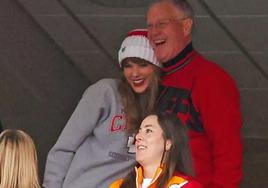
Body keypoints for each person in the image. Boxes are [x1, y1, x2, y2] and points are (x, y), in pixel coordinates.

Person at [43, 29, 162, 188]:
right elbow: (64, 148)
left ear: (156, 67)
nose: (134, 73)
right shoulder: (105, 92)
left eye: (142, 65)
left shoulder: (160, 106)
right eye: (128, 66)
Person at [146, 0, 243, 188]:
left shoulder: (211, 79)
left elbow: (228, 153)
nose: (153, 32)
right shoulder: (150, 80)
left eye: (162, 24)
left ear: (186, 26)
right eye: (149, 26)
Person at [110, 113, 203, 188]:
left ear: (168, 143)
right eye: (139, 131)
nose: (137, 137)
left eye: (148, 131)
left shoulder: (187, 186)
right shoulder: (118, 186)